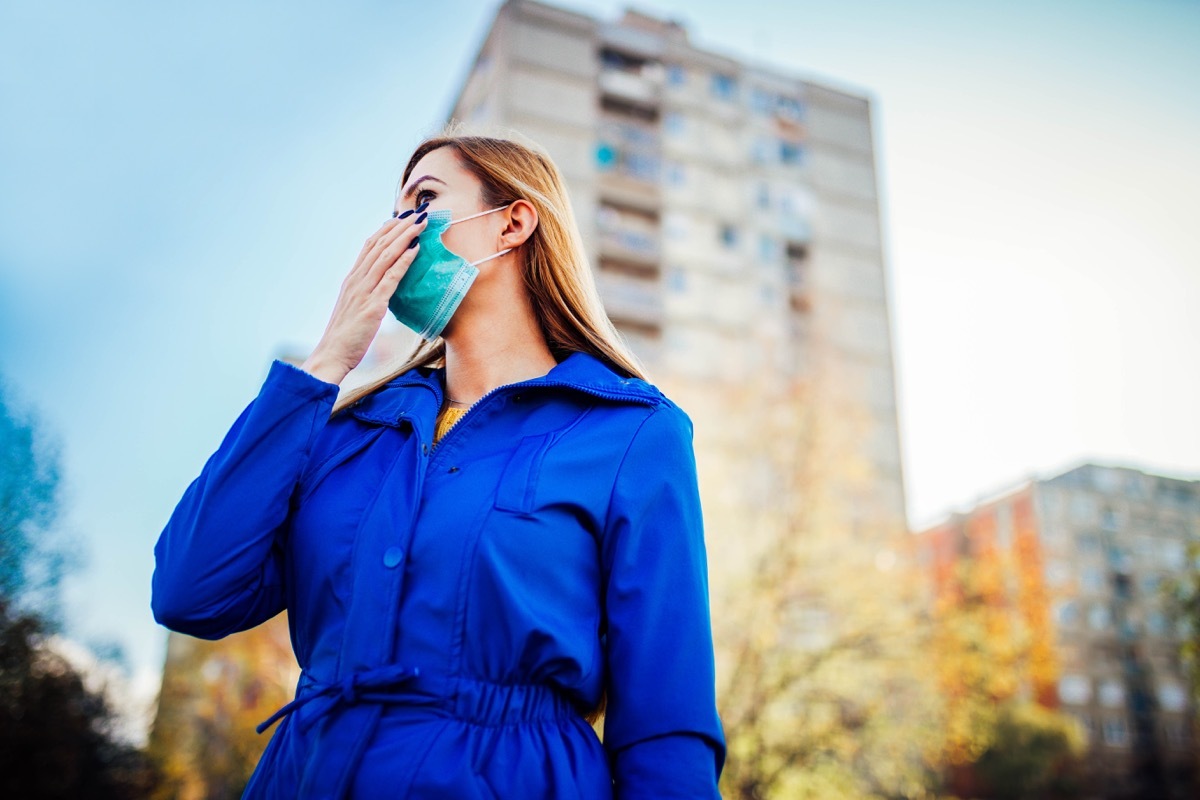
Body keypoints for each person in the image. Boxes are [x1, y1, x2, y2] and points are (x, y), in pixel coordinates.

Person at [151, 131, 726, 799]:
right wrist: (326, 365)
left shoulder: (633, 434)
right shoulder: (345, 431)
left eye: (422, 201)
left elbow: (667, 716)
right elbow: (190, 593)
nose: (397, 234)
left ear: (512, 222)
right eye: (393, 213)